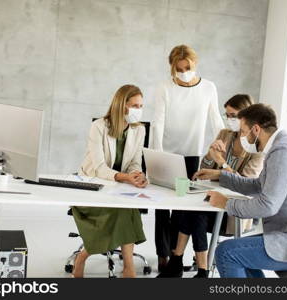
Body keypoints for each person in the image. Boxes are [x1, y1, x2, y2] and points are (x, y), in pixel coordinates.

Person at [195, 103, 287, 278]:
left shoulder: (284, 150)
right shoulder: (282, 147)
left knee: (227, 252)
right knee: (237, 251)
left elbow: (268, 205)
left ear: (255, 129)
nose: (240, 137)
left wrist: (227, 203)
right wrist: (221, 175)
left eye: (243, 131)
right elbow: (258, 186)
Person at [157, 94, 264, 278]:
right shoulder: (225, 134)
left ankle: (183, 264)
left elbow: (245, 183)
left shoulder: (258, 149)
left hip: (232, 209)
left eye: (233, 115)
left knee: (195, 211)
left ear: (246, 117)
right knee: (189, 208)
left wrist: (221, 165)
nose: (229, 120)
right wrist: (209, 155)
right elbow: (205, 168)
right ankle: (195, 269)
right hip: (212, 199)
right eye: (227, 115)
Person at [152, 45, 224, 271]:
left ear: (195, 64)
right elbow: (158, 122)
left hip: (193, 156)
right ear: (172, 68)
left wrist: (223, 143)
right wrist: (158, 154)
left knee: (184, 209)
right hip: (167, 154)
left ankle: (177, 255)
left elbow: (215, 118)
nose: (184, 72)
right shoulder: (165, 87)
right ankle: (163, 255)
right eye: (179, 69)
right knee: (163, 208)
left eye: (188, 67)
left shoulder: (208, 87)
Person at [71, 84, 148, 278]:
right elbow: (99, 168)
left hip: (119, 189)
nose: (139, 110)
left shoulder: (139, 130)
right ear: (122, 106)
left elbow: (135, 162)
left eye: (141, 106)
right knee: (125, 210)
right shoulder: (98, 127)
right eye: (135, 106)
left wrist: (137, 175)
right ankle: (86, 258)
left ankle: (127, 268)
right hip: (91, 187)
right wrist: (126, 178)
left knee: (125, 207)